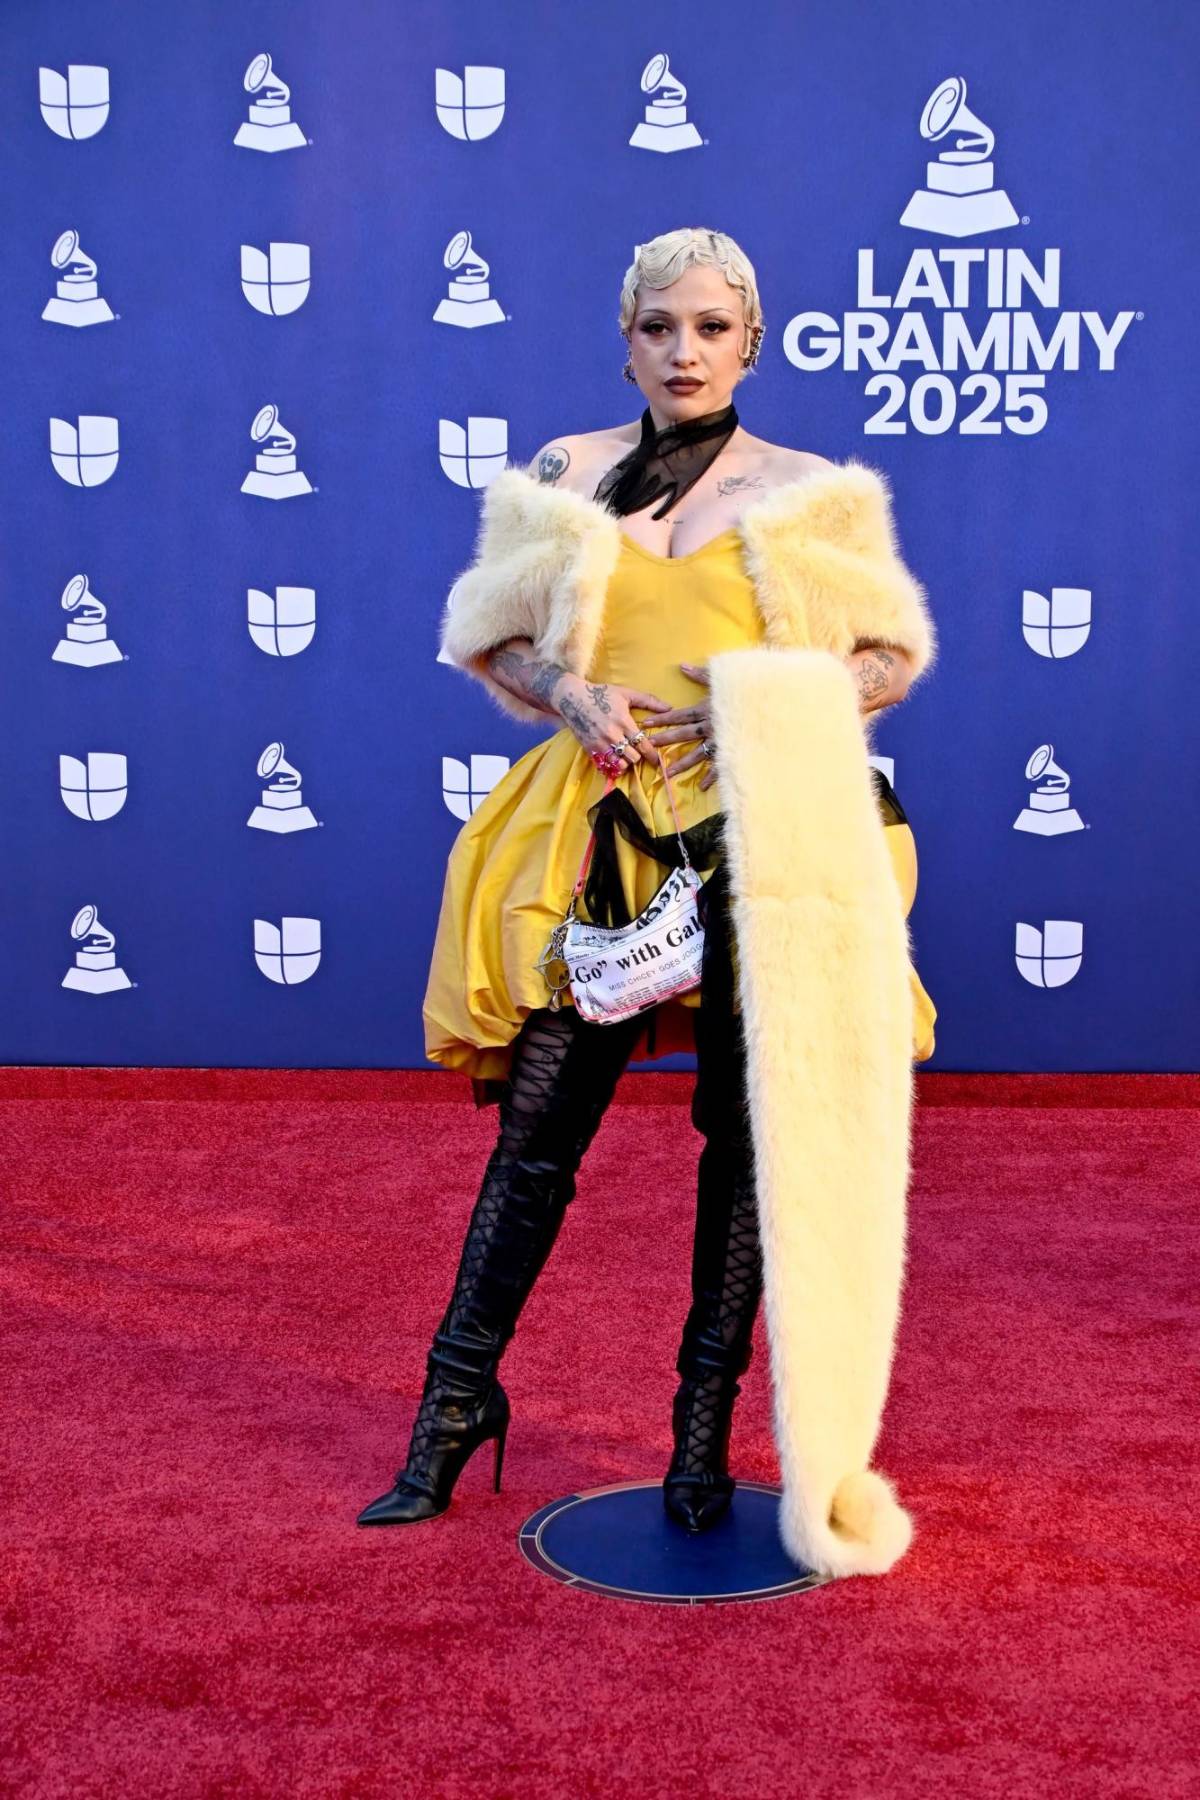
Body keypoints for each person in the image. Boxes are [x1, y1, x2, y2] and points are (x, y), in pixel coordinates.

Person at [358, 228, 937, 1571]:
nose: (685, 353)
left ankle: (697, 1446)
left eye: (711, 329)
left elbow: (884, 659)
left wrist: (760, 708)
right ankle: (451, 1413)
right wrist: (567, 690)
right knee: (538, 1138)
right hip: (600, 835)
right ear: (623, 337)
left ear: (754, 340)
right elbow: (491, 631)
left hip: (764, 843)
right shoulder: (566, 472)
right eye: (659, 328)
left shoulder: (809, 495)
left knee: (746, 1147)